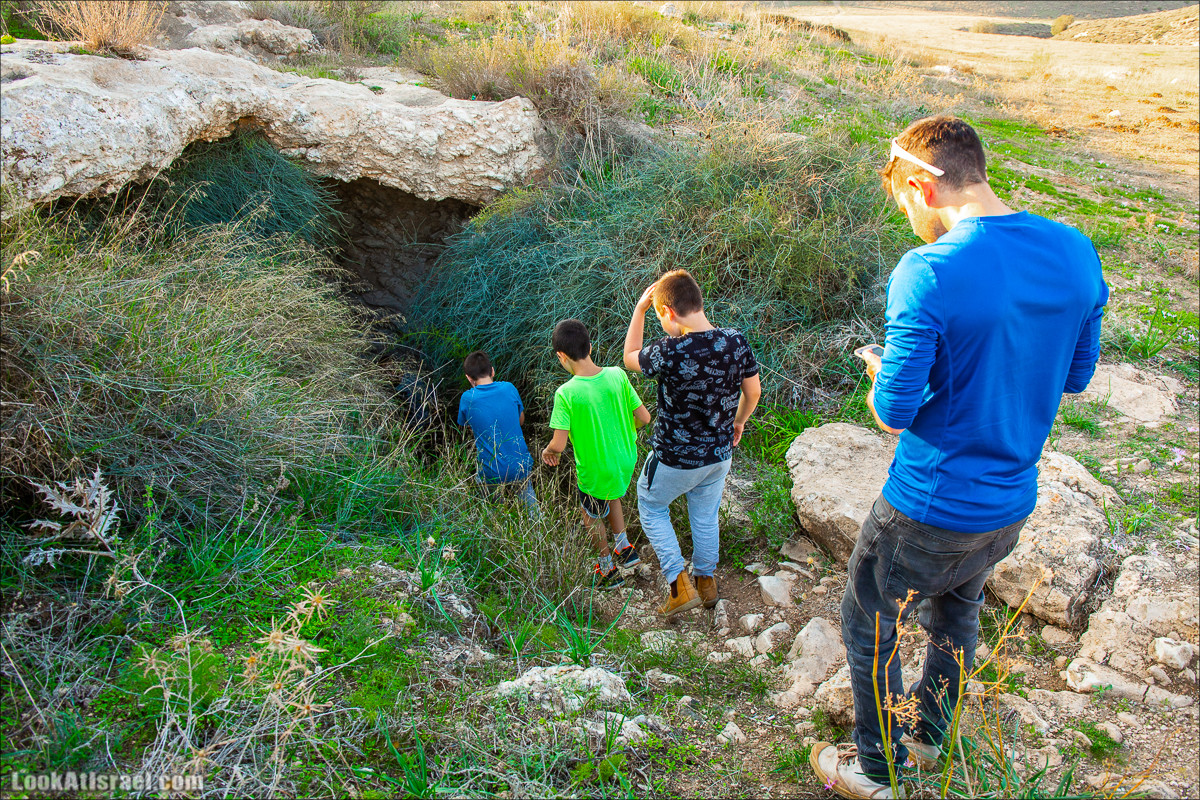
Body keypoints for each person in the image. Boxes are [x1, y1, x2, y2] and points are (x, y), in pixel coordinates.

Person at [809, 116, 1108, 799]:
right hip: (1008, 504)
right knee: (956, 608)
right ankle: (934, 728)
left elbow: (893, 413)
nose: (912, 220)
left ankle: (877, 771)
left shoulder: (930, 271)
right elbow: (1076, 375)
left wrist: (883, 374)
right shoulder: (1075, 250)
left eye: (907, 205)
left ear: (924, 185)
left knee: (869, 625)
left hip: (929, 503)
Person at [623, 269, 761, 616]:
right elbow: (753, 390)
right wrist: (739, 421)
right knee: (705, 515)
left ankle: (678, 585)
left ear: (668, 312)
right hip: (719, 454)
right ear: (698, 301)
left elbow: (630, 356)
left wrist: (639, 310)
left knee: (651, 506)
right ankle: (706, 582)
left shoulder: (670, 350)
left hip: (674, 458)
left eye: (659, 317)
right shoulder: (736, 341)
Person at [542, 319, 651, 589]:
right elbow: (644, 418)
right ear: (591, 346)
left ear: (561, 356)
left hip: (595, 468)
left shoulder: (566, 393)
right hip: (624, 460)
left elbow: (559, 443)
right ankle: (625, 548)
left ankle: (606, 569)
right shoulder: (617, 374)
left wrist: (548, 451)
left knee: (590, 514)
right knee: (611, 495)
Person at [456, 350, 537, 509]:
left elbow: (464, 426)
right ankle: (537, 525)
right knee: (529, 503)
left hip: (491, 471)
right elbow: (521, 421)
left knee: (491, 502)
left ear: (469, 378)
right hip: (520, 465)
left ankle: (497, 517)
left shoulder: (467, 398)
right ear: (492, 370)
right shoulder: (509, 388)